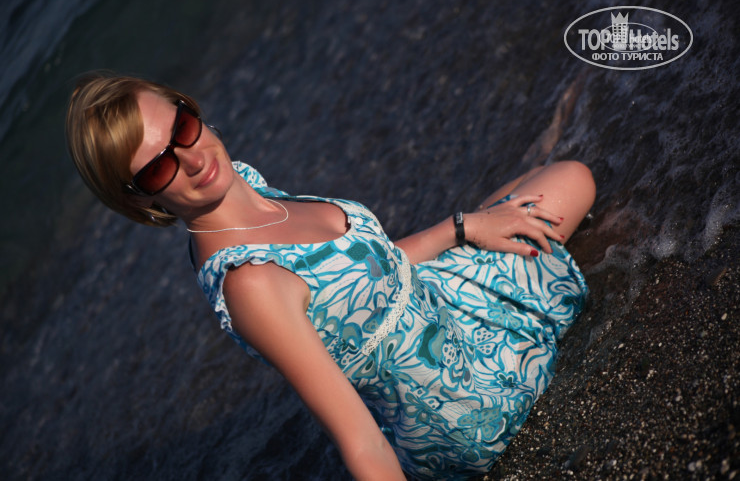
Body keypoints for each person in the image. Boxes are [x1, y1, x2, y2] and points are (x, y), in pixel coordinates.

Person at [66, 72, 595, 480]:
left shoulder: (242, 189)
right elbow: (360, 442)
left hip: (434, 307)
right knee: (571, 179)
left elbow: (369, 267)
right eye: (159, 167)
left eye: (182, 128)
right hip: (465, 402)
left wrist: (461, 228)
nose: (191, 159)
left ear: (191, 110)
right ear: (141, 201)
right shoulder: (250, 283)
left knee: (530, 187)